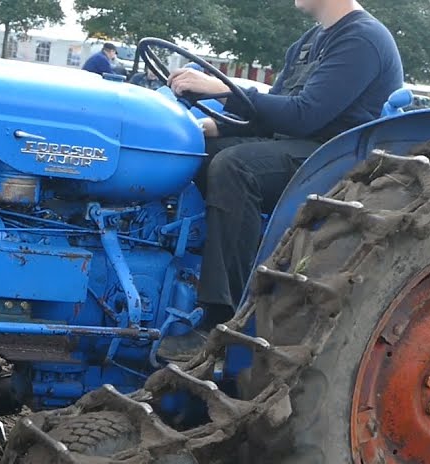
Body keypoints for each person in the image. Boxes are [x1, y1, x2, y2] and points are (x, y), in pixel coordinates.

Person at [157, 0, 403, 360]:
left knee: (234, 166)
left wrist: (220, 88)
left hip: (334, 159)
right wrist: (214, 126)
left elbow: (304, 115)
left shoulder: (361, 40)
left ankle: (223, 321)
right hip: (296, 146)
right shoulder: (308, 42)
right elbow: (276, 109)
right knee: (200, 152)